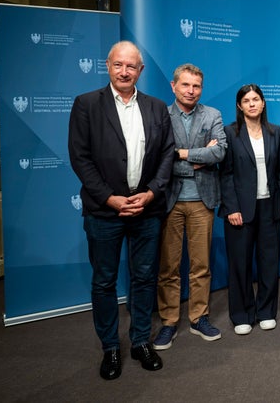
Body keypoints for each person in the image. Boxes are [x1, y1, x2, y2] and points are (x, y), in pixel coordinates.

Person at [68, 41, 174, 380]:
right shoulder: (86, 104)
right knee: (104, 281)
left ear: (140, 70)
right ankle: (110, 347)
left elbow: (168, 154)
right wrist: (109, 198)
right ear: (108, 66)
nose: (124, 72)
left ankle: (141, 341)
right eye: (118, 65)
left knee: (144, 278)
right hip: (104, 212)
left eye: (131, 66)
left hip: (147, 210)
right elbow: (80, 158)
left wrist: (151, 193)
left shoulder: (157, 107)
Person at [152, 64, 226, 350]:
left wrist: (182, 153)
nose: (191, 91)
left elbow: (219, 152)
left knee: (200, 266)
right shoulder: (161, 114)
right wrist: (198, 158)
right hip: (169, 201)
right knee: (168, 267)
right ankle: (169, 322)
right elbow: (158, 157)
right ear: (174, 86)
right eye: (185, 85)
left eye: (196, 86)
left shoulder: (212, 115)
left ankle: (199, 317)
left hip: (202, 201)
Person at [219, 84, 280, 335]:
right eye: (246, 100)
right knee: (240, 263)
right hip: (240, 209)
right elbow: (225, 174)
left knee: (269, 262)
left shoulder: (275, 131)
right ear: (240, 106)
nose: (252, 104)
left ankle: (266, 311)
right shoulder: (230, 133)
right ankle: (242, 314)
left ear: (263, 103)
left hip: (270, 206)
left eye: (256, 99)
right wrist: (231, 207)